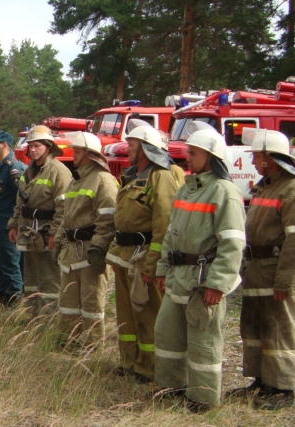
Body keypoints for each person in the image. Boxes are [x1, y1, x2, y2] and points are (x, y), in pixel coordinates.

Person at [154, 129, 246, 412]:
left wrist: (217, 284)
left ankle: (202, 400)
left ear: (212, 156)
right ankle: (171, 388)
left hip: (203, 282)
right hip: (178, 278)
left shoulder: (224, 192)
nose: (187, 157)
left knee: (203, 343)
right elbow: (171, 233)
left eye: (193, 153)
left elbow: (232, 243)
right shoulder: (186, 188)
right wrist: (162, 268)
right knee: (167, 334)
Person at [229, 129, 295, 410]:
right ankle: (262, 381)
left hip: (276, 273)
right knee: (257, 327)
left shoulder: (294, 189)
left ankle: (282, 389)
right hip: (258, 271)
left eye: (257, 156)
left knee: (279, 330)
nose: (252, 161)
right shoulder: (267, 185)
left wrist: (286, 282)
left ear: (270, 159)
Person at [105, 126, 178, 383]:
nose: (127, 149)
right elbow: (121, 219)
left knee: (148, 313)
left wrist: (152, 264)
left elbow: (164, 223)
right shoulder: (132, 176)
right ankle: (130, 363)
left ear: (147, 148)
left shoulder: (161, 177)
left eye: (132, 145)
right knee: (126, 314)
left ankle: (150, 368)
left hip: (144, 256)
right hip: (125, 256)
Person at [50, 131, 117, 346]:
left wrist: (98, 248)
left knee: (91, 302)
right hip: (71, 252)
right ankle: (67, 342)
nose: (73, 155)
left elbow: (107, 220)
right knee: (69, 301)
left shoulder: (103, 180)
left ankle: (91, 345)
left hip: (90, 252)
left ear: (90, 154)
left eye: (77, 151)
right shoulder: (76, 180)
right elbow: (66, 217)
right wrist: (59, 240)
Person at [9, 126, 70, 316]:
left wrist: (54, 234)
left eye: (37, 146)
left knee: (49, 280)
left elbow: (63, 208)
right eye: (31, 146)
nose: (33, 150)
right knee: (31, 279)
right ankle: (32, 318)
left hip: (46, 234)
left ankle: (49, 321)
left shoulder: (58, 172)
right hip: (28, 234)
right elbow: (20, 201)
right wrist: (13, 225)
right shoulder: (29, 172)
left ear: (49, 147)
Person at [0, 131, 26, 306]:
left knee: (10, 264)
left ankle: (13, 299)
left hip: (6, 225)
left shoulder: (13, 169)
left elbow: (22, 199)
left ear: (5, 145)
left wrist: (15, 225)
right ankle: (3, 295)